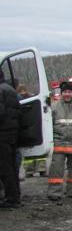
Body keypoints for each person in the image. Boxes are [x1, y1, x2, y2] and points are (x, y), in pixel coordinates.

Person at [0, 69, 22, 208]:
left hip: (2, 133)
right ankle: (15, 195)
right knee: (12, 166)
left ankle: (11, 198)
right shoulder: (10, 89)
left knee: (4, 167)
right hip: (13, 133)